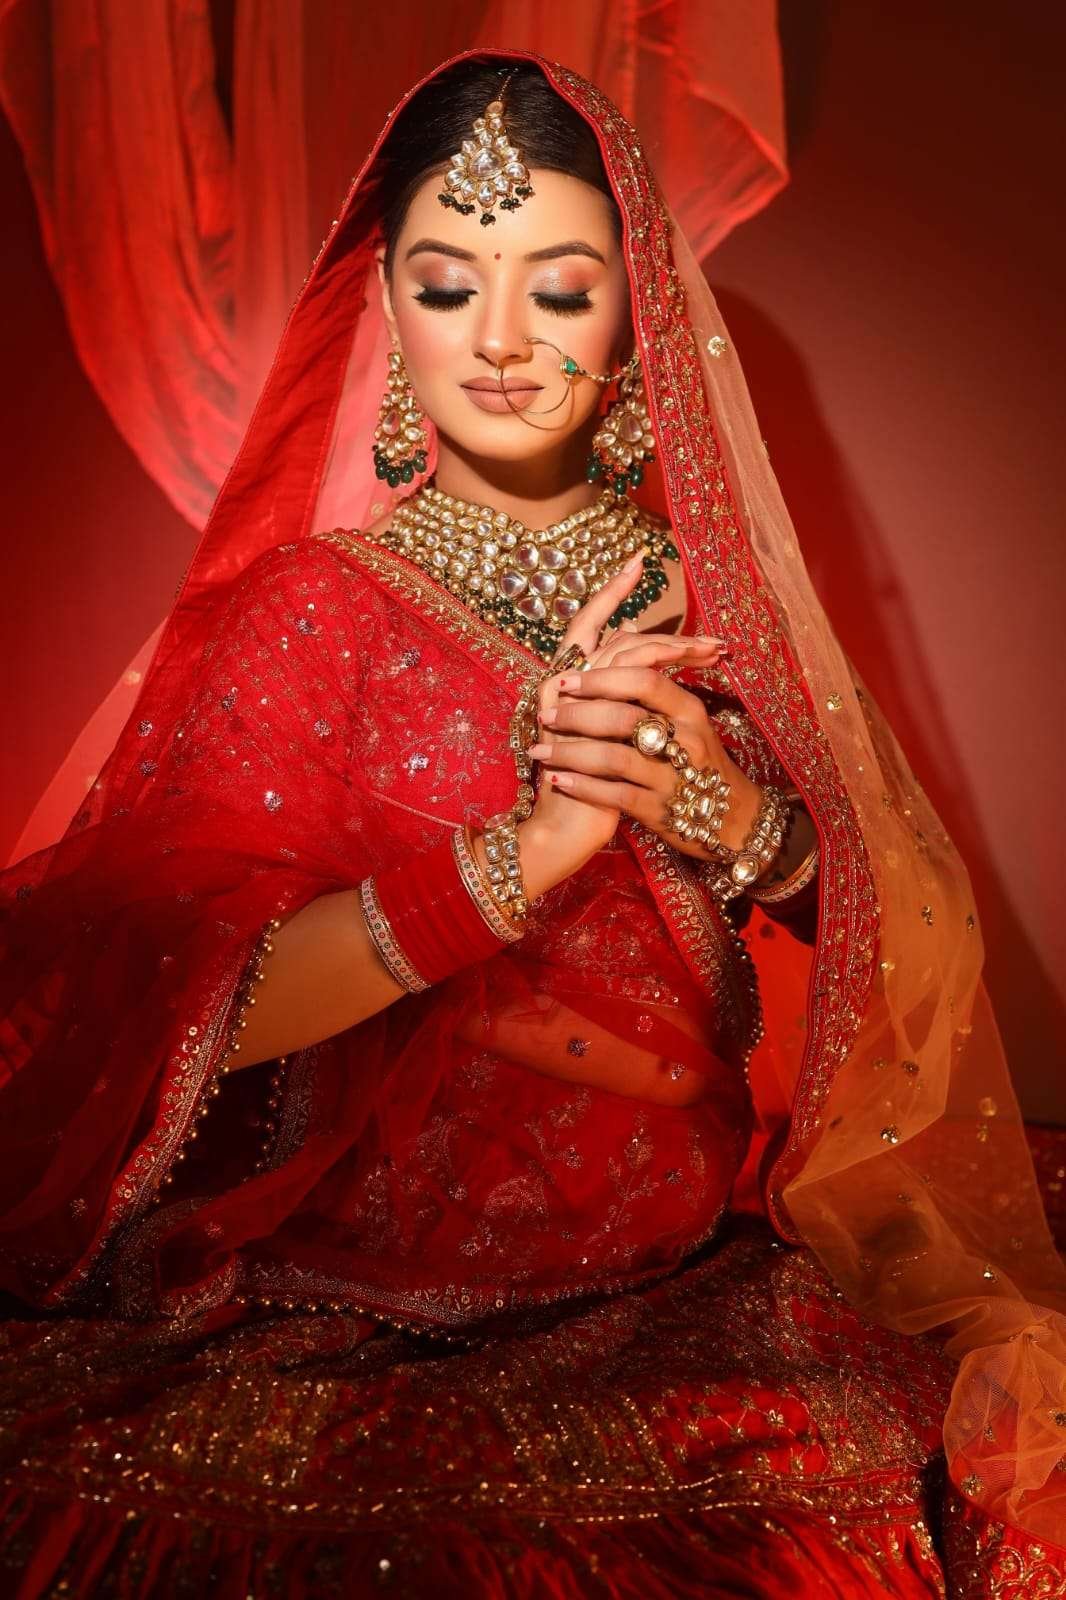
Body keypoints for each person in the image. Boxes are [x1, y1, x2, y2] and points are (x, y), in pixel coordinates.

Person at [0, 47, 1063, 1599]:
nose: (499, 340)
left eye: (557, 290)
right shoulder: (310, 610)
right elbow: (187, 1000)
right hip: (348, 1275)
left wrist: (729, 817)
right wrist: (530, 854)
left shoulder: (711, 603)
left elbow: (888, 935)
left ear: (634, 320)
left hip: (665, 1248)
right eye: (447, 286)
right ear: (386, 309)